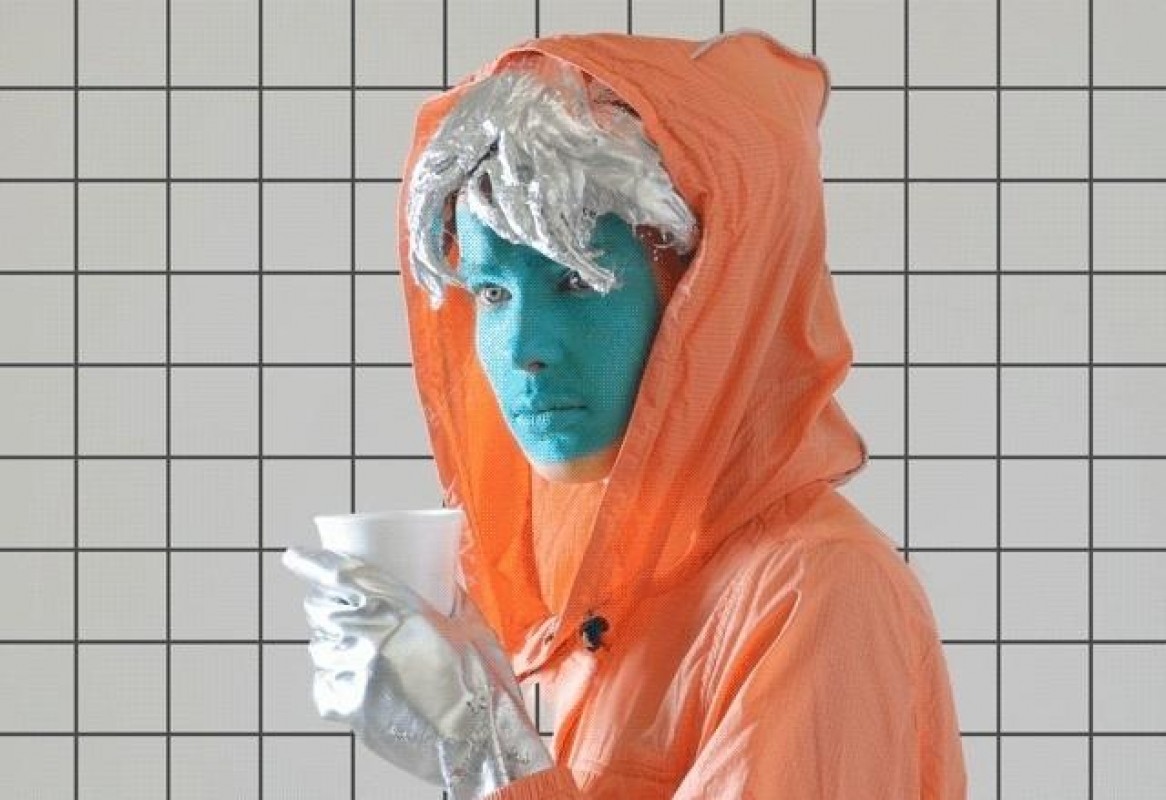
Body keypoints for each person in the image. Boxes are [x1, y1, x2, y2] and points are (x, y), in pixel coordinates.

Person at [283, 29, 969, 799]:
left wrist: (485, 747)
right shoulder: (616, 583)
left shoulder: (819, 590)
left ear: (707, 304)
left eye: (579, 283)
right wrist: (471, 696)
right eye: (493, 293)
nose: (525, 350)